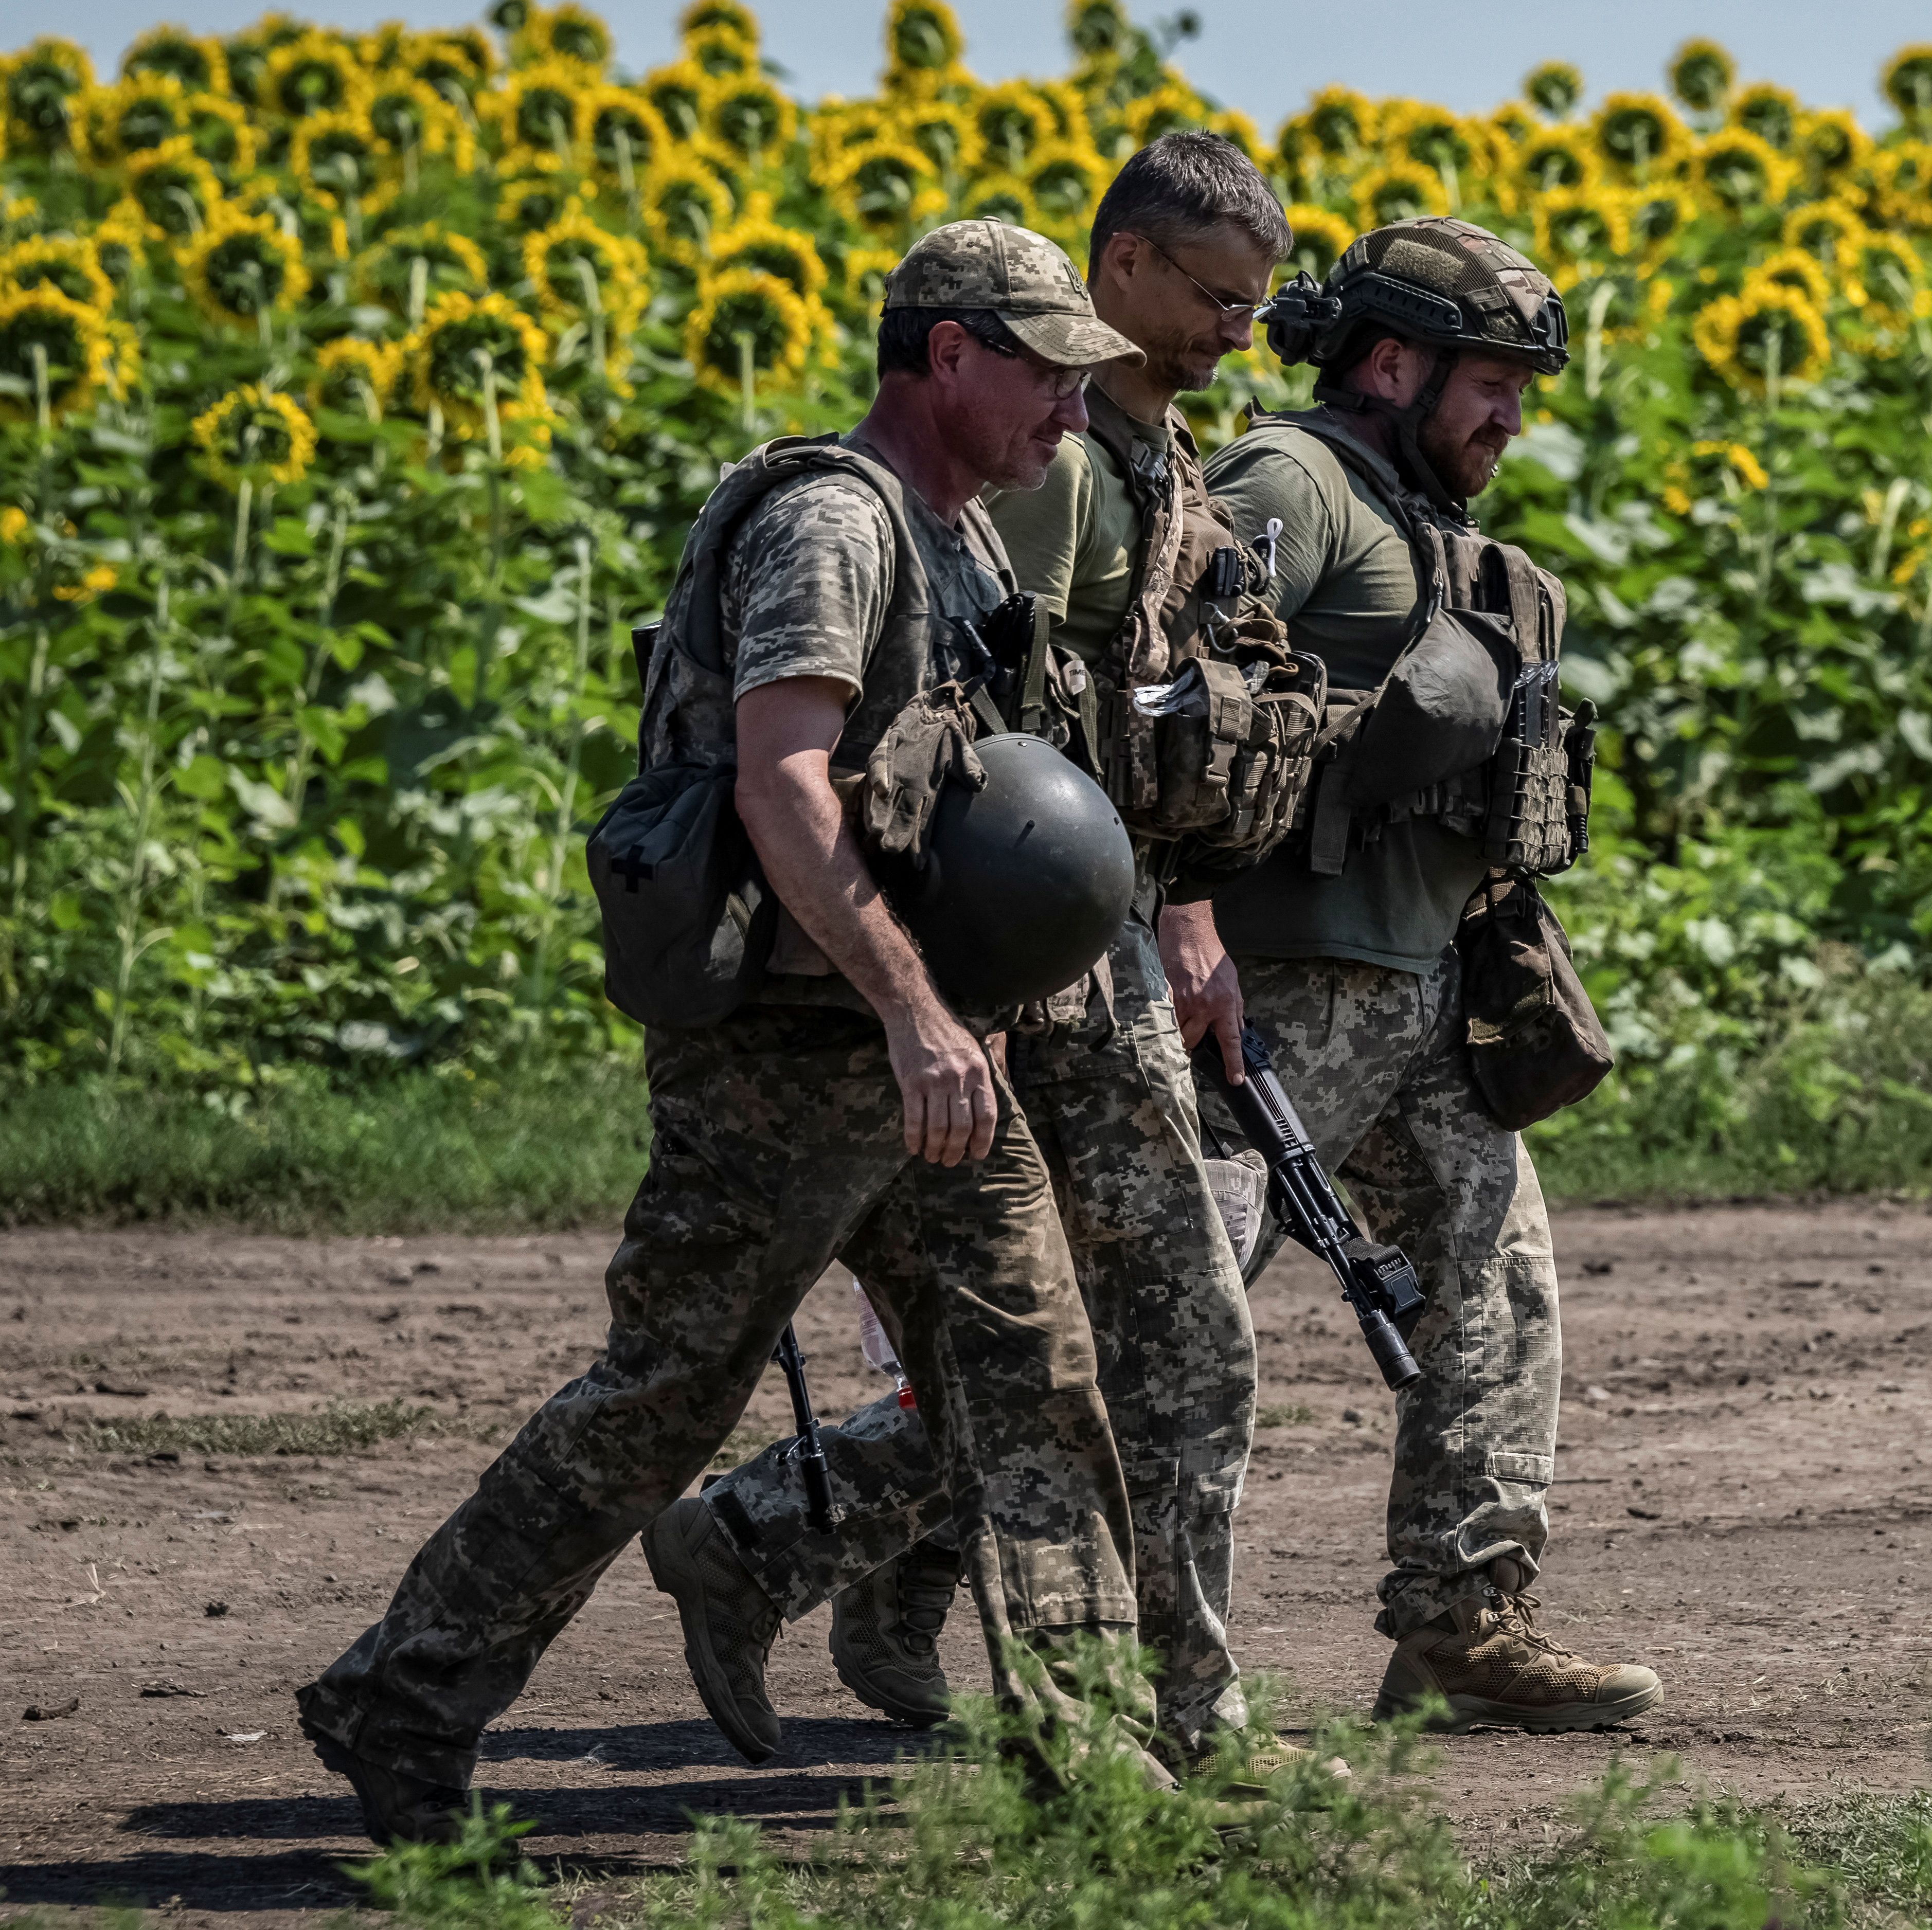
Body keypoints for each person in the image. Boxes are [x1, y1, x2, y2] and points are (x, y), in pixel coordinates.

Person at [295, 219, 1157, 1845]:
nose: (1068, 407)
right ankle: (397, 1699)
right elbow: (781, 778)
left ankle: (1094, 1758)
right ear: (948, 352)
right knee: (664, 1396)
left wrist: (949, 1011)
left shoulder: (962, 535)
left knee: (1033, 1368)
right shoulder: (836, 519)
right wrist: (912, 1009)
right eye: (1045, 368)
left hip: (919, 1047)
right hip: (792, 1050)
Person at [664, 133, 1299, 1769]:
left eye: (1257, 303)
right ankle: (1153, 1718)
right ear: (1121, 270)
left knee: (1078, 1340)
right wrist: (950, 993)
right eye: (1215, 296)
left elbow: (1124, 732)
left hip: (1099, 941)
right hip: (1032, 965)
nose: (1240, 328)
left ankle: (786, 1548)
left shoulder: (1150, 452)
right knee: (1133, 1337)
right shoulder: (1047, 466)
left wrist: (1188, 908)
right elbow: (978, 746)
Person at [1186, 218, 1662, 1731]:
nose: (1513, 418)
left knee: (1497, 1291)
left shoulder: (1417, 507)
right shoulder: (1290, 485)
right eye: (1493, 383)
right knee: (1161, 1318)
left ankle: (1464, 1618)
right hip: (1280, 992)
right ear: (1389, 363)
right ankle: (782, 1525)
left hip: (1422, 987)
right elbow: (1180, 713)